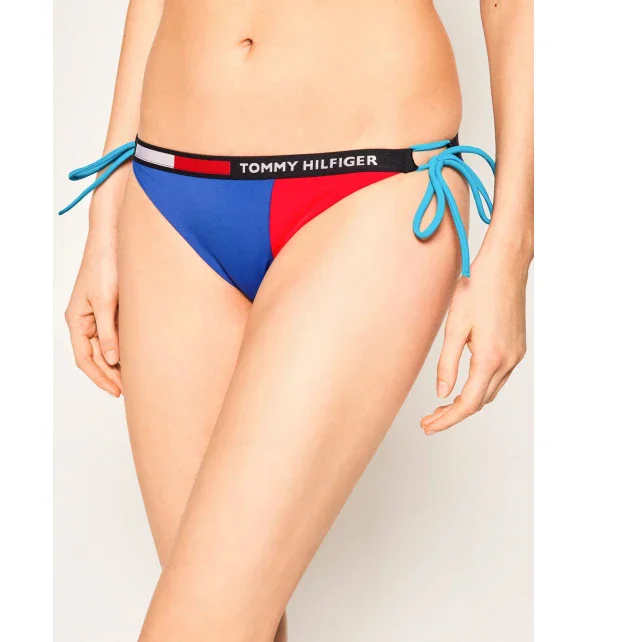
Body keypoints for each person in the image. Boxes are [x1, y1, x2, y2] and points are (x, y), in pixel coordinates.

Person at [62, 0, 533, 639]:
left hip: (369, 181)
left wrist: (511, 251)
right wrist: (106, 208)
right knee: (234, 619)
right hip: (169, 191)